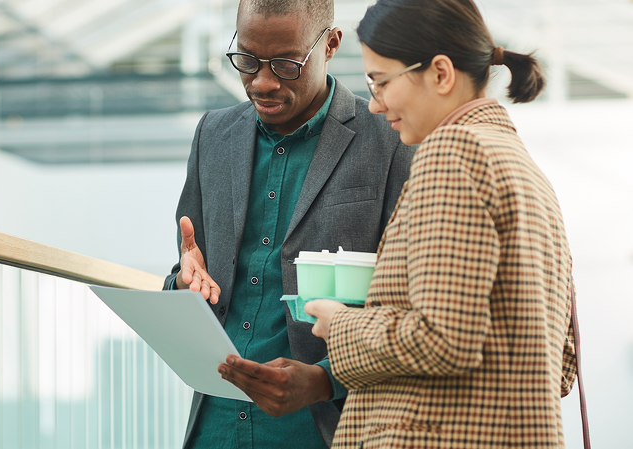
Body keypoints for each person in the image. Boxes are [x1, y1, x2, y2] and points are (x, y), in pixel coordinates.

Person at [305, 0, 577, 447]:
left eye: (380, 82)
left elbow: (442, 338)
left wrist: (341, 325)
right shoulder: (524, 168)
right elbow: (561, 365)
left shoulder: (453, 154)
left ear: (441, 74)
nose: (374, 105)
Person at [162, 0, 416, 447]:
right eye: (247, 59)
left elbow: (413, 307)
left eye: (285, 64)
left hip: (327, 428)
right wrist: (184, 288)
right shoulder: (211, 136)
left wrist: (325, 378)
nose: (261, 82)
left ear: (331, 45)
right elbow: (185, 274)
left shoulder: (391, 141)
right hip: (215, 426)